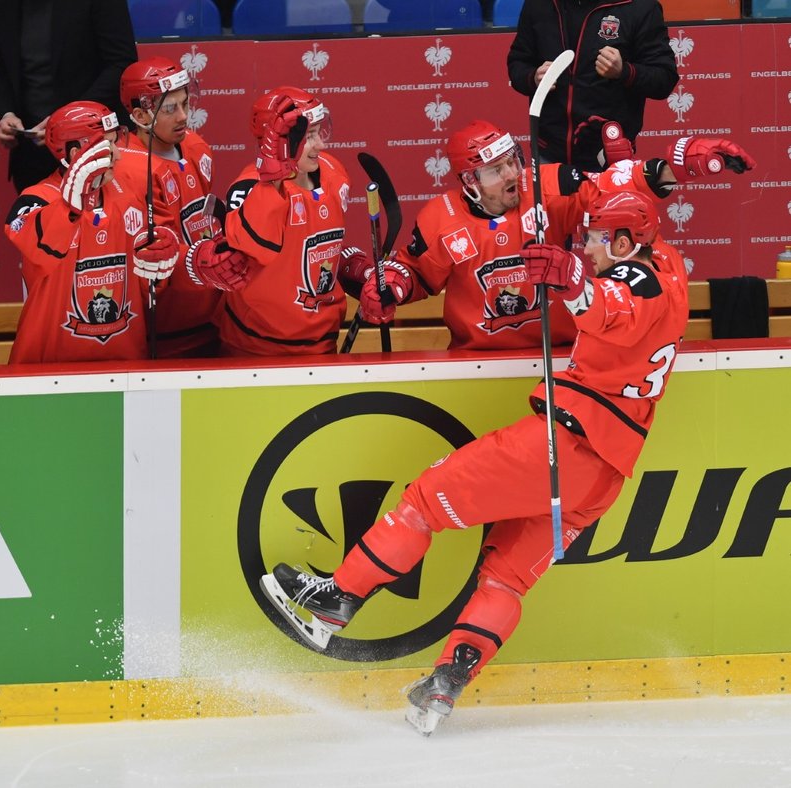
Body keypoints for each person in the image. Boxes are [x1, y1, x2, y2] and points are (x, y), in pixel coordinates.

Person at [261, 189, 693, 736]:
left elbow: (608, 308)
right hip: (605, 475)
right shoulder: (670, 263)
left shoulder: (634, 280)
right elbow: (625, 268)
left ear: (628, 242)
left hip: (565, 446)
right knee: (505, 579)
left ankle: (336, 601)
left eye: (596, 237)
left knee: (422, 504)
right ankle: (444, 686)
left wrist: (575, 282)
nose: (584, 244)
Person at [343, 119, 753, 351]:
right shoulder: (440, 218)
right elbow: (416, 273)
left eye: (512, 161)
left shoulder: (547, 184)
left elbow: (612, 189)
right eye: (494, 170)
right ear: (469, 180)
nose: (510, 175)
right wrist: (392, 286)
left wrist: (678, 167)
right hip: (477, 362)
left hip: (559, 355)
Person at [3, 100, 180, 363]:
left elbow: (147, 284)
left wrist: (164, 255)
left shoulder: (130, 195)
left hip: (126, 368)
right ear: (76, 153)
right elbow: (40, 247)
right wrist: (71, 202)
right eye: (108, 146)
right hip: (46, 373)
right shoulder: (35, 200)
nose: (118, 155)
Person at [207, 86, 367, 356]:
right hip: (255, 351)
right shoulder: (248, 188)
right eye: (310, 136)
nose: (321, 145)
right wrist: (275, 175)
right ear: (279, 139)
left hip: (322, 345)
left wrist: (356, 267)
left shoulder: (332, 172)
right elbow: (256, 248)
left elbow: (317, 251)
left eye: (320, 132)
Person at [113, 56, 240, 358]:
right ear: (140, 115)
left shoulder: (196, 147)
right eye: (170, 109)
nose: (184, 116)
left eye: (185, 104)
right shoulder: (128, 168)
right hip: (163, 329)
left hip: (210, 315)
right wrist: (204, 262)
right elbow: (153, 248)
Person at [0, 0, 137, 193]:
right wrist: (6, 113)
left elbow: (121, 63)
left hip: (96, 146)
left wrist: (68, 120)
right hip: (32, 154)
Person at [506, 0, 679, 171]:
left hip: (611, 158)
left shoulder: (641, 6)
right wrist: (533, 77)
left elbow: (664, 78)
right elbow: (518, 63)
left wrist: (624, 72)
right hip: (549, 155)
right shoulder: (538, 4)